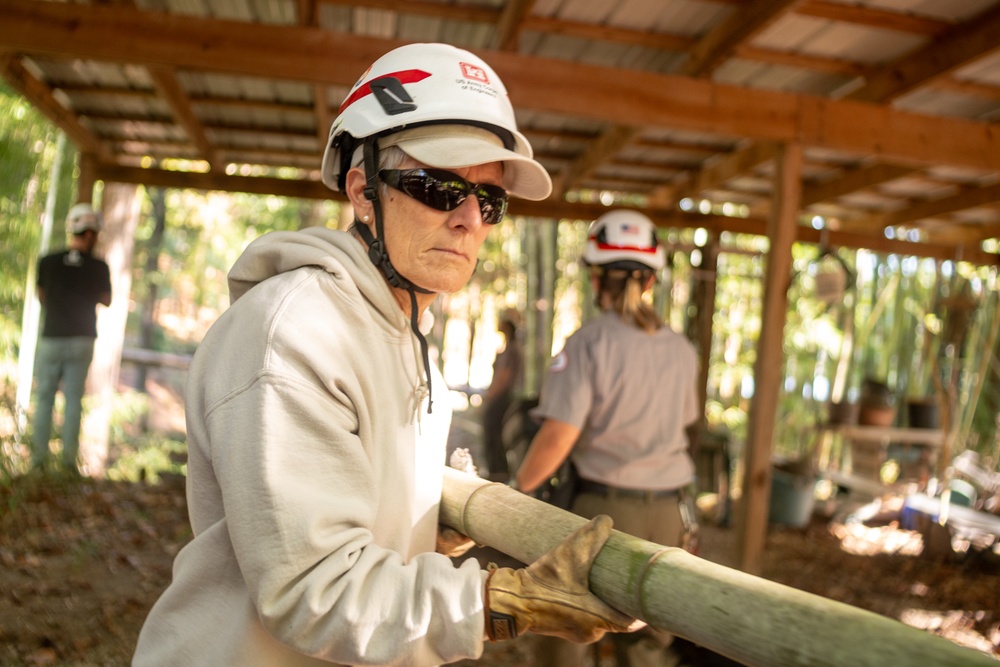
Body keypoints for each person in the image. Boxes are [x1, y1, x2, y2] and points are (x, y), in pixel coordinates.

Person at [133, 43, 638, 667]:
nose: (467, 221)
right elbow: (312, 588)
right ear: (363, 191)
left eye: (489, 201)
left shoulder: (406, 338)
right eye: (437, 186)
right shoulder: (295, 333)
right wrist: (503, 600)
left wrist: (423, 523)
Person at [512, 209, 702, 667]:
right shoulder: (682, 350)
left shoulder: (587, 344)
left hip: (602, 517)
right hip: (668, 517)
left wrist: (519, 491)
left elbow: (559, 435)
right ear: (652, 280)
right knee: (648, 645)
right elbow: (686, 423)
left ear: (597, 280)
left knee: (567, 630)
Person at [31, 202, 112, 473]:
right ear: (89, 233)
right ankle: (67, 464)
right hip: (82, 339)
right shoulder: (99, 267)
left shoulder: (47, 261)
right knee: (74, 400)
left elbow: (41, 296)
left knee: (44, 399)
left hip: (51, 337)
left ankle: (38, 462)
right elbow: (107, 300)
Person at [480, 308, 523, 480]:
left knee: (495, 437)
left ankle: (497, 474)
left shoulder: (513, 350)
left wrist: (490, 395)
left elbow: (504, 377)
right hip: (501, 398)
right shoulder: (508, 348)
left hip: (502, 400)